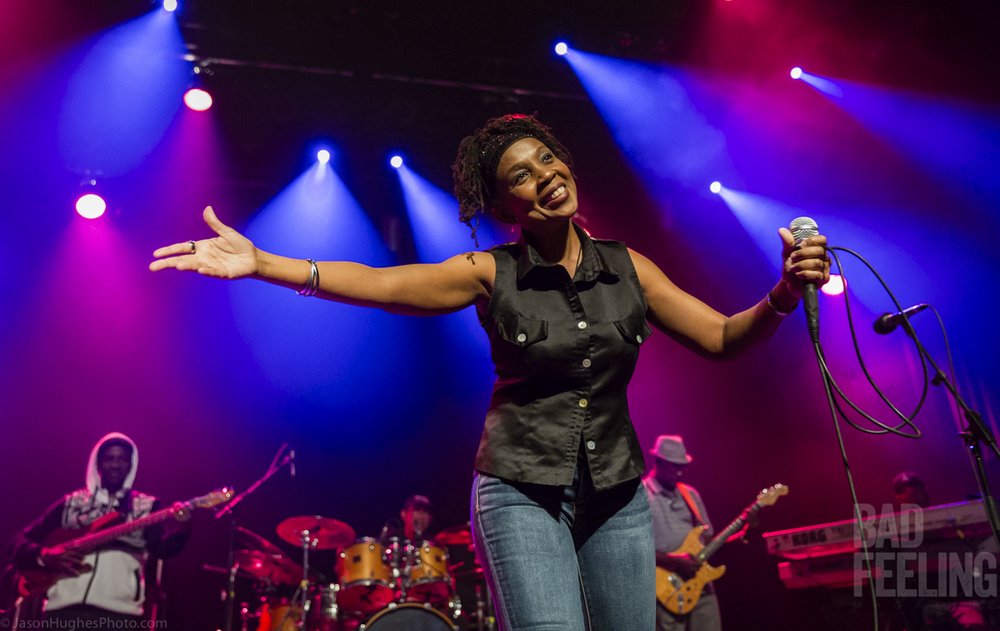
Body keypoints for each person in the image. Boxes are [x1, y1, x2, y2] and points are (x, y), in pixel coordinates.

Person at [150, 114, 829, 630]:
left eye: (547, 159)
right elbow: (384, 284)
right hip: (521, 491)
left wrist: (781, 296)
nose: (545, 174)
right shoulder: (489, 272)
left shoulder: (630, 266)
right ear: (507, 207)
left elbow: (719, 336)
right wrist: (264, 262)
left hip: (619, 497)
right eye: (523, 175)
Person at [7, 432, 192, 625]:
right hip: (61, 613)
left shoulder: (146, 506)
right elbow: (18, 541)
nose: (115, 465)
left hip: (119, 616)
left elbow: (162, 550)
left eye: (122, 459)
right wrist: (43, 555)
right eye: (109, 458)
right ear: (97, 463)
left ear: (131, 465)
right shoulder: (70, 503)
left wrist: (183, 528)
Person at [643, 434, 723, 631]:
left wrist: (737, 533)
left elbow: (707, 537)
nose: (678, 472)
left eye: (681, 466)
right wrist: (677, 561)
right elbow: (635, 547)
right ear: (658, 461)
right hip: (665, 588)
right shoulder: (641, 494)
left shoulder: (691, 494)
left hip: (700, 586)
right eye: (673, 466)